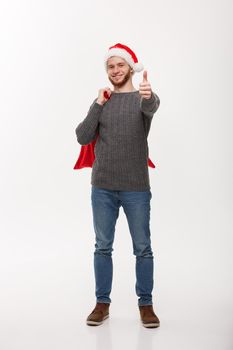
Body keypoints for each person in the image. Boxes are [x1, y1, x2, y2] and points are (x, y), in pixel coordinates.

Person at [75, 43, 160, 328]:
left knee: (143, 248)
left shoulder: (142, 98)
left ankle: (146, 304)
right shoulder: (102, 100)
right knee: (102, 247)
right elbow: (83, 136)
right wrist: (98, 103)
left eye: (120, 65)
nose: (115, 70)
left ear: (130, 68)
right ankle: (102, 304)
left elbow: (152, 105)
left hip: (136, 187)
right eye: (110, 66)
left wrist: (148, 96)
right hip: (102, 187)